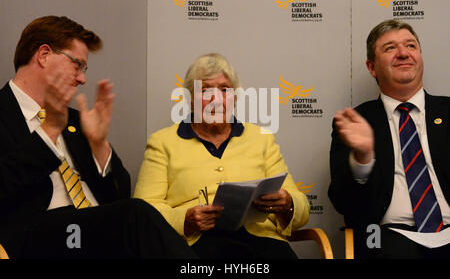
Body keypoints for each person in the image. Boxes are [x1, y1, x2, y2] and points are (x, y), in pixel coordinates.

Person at [0, 15, 196, 259]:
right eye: (77, 64)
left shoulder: (75, 120)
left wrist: (99, 145)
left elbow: (120, 196)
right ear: (44, 55)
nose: (82, 78)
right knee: (136, 215)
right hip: (36, 237)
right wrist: (48, 131)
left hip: (96, 232)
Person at [134, 53, 310, 259]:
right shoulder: (163, 142)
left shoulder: (261, 139)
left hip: (263, 243)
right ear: (191, 99)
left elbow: (302, 209)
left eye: (224, 90)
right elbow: (143, 212)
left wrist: (287, 203)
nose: (215, 99)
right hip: (197, 244)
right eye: (206, 90)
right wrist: (185, 219)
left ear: (234, 98)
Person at [329, 19, 450, 258]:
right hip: (387, 237)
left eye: (411, 46)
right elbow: (344, 202)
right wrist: (363, 158)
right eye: (390, 48)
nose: (403, 53)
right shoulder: (356, 121)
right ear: (372, 67)